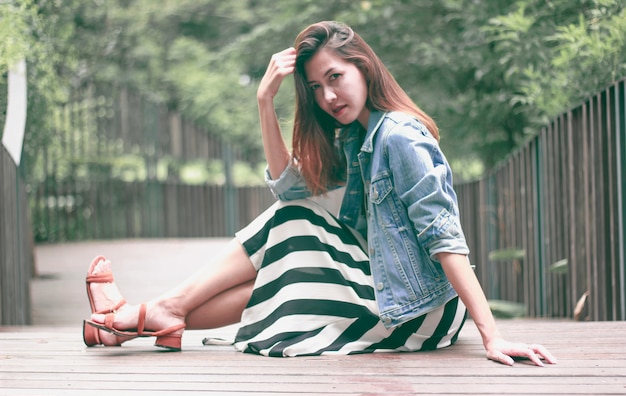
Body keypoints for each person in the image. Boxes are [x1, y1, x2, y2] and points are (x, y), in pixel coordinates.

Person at [84, 21, 556, 366]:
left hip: (420, 311)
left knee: (296, 221)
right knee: (286, 247)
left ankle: (152, 312)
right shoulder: (355, 138)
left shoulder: (399, 136)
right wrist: (265, 102)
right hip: (385, 292)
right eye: (316, 87)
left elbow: (444, 238)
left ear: (364, 68)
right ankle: (136, 323)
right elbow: (289, 187)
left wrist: (491, 336)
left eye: (336, 77)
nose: (328, 96)